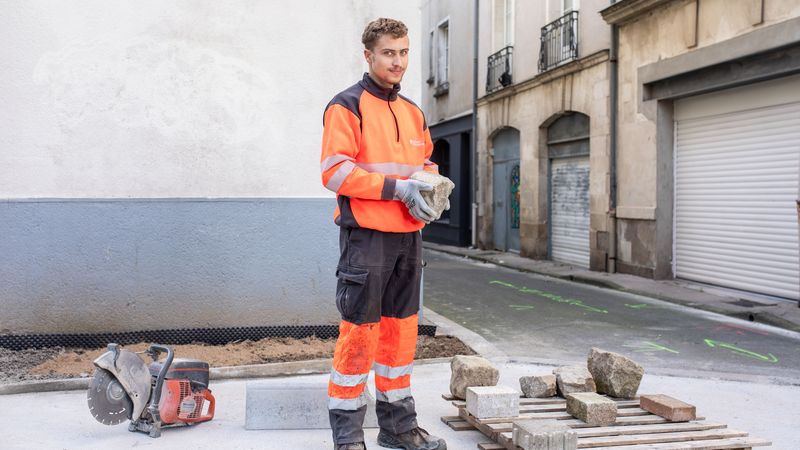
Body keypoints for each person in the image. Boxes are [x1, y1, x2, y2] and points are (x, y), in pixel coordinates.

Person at [319, 17, 448, 450]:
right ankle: (349, 437)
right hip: (367, 239)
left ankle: (398, 429)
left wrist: (430, 185)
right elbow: (335, 172)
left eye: (404, 52)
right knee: (359, 334)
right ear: (369, 55)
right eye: (389, 53)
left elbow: (426, 161)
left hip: (409, 238)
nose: (398, 61)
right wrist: (399, 189)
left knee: (401, 334)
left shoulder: (413, 111)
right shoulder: (346, 106)